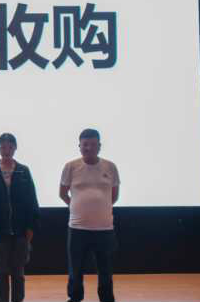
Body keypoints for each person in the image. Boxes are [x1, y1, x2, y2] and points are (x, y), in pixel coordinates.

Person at [59, 129, 120, 302]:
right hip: (77, 228)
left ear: (99, 146)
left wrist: (100, 207)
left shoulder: (110, 167)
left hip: (104, 229)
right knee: (76, 268)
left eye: (93, 144)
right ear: (79, 146)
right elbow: (62, 193)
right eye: (85, 144)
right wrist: (76, 207)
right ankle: (75, 298)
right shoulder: (70, 166)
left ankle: (106, 299)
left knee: (105, 269)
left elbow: (114, 195)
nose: (89, 148)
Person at [0, 133, 40, 302]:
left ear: (15, 148)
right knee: (1, 272)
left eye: (10, 147)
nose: (7, 150)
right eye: (3, 147)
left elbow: (32, 200)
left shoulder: (23, 171)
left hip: (21, 231)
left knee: (18, 273)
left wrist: (31, 227)